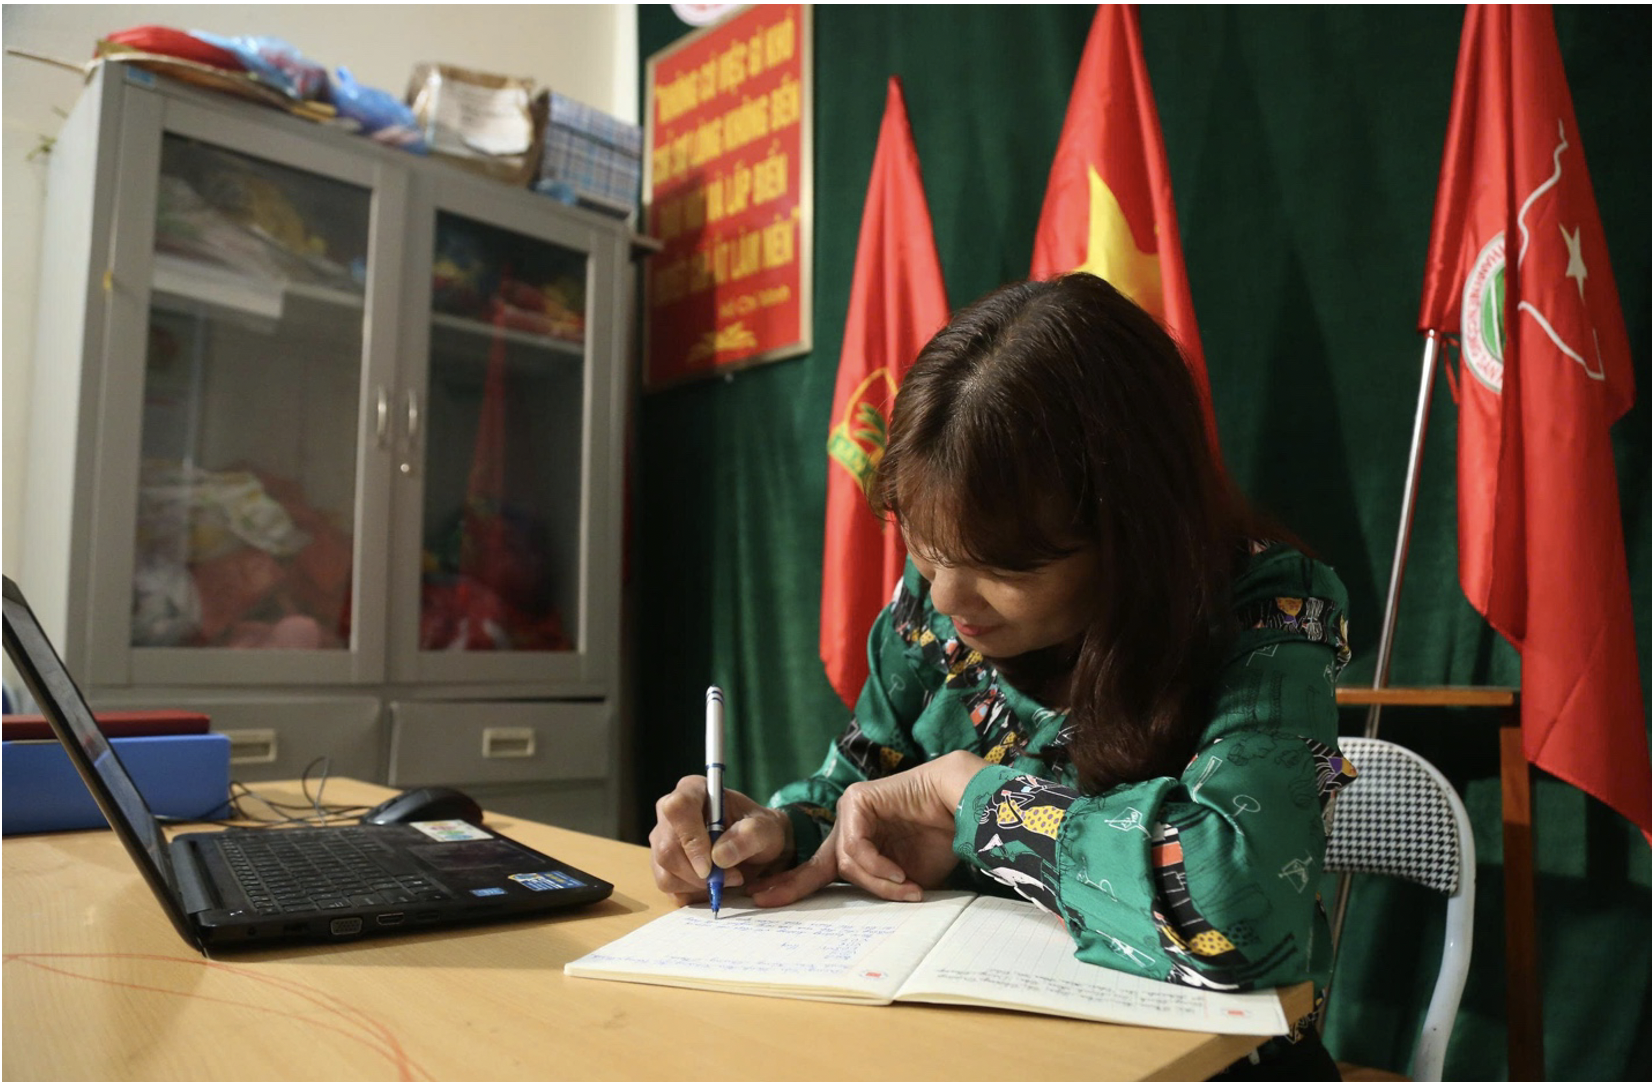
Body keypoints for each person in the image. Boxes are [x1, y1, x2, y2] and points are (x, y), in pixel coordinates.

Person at [650, 273, 1354, 1080]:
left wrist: (972, 797)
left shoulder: (1267, 613)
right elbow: (857, 784)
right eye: (925, 546)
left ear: (1133, 534)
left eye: (1003, 566)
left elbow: (1240, 907)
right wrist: (778, 836)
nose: (948, 599)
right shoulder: (934, 607)